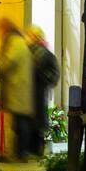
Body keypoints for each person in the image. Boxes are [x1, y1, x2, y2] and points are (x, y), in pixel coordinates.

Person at [0, 18, 36, 160]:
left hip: (17, 89)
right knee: (20, 123)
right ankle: (20, 152)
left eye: (0, 29)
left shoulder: (14, 42)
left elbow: (8, 62)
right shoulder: (19, 41)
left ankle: (20, 153)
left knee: (19, 124)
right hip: (20, 89)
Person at [27, 26, 59, 156]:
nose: (31, 38)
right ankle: (34, 148)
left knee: (37, 119)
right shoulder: (29, 50)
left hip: (38, 90)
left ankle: (37, 148)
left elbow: (54, 73)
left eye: (33, 36)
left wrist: (43, 77)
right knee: (34, 119)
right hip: (32, 90)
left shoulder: (44, 53)